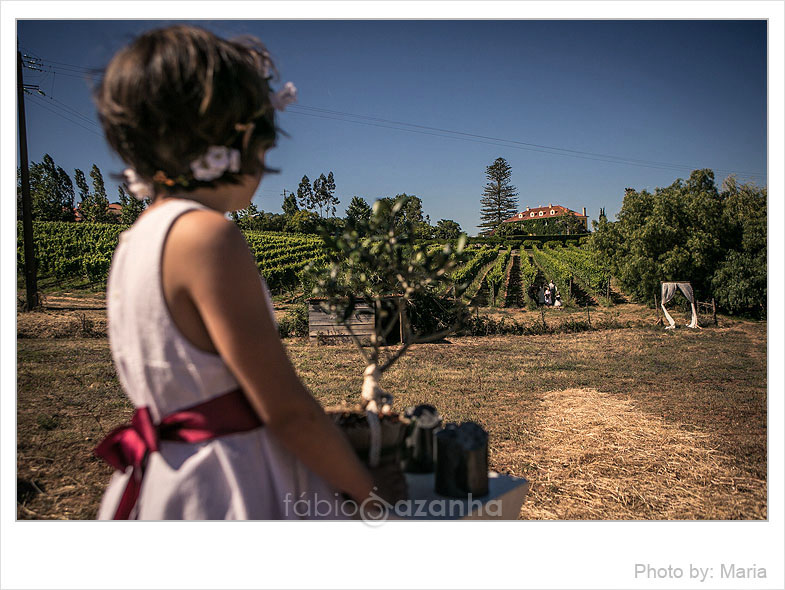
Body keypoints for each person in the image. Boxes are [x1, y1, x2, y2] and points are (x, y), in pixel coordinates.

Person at [92, 25, 377, 519]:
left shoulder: (137, 238)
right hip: (227, 482)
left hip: (168, 473)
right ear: (231, 140)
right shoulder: (208, 236)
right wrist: (369, 493)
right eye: (263, 149)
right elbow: (287, 411)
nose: (265, 167)